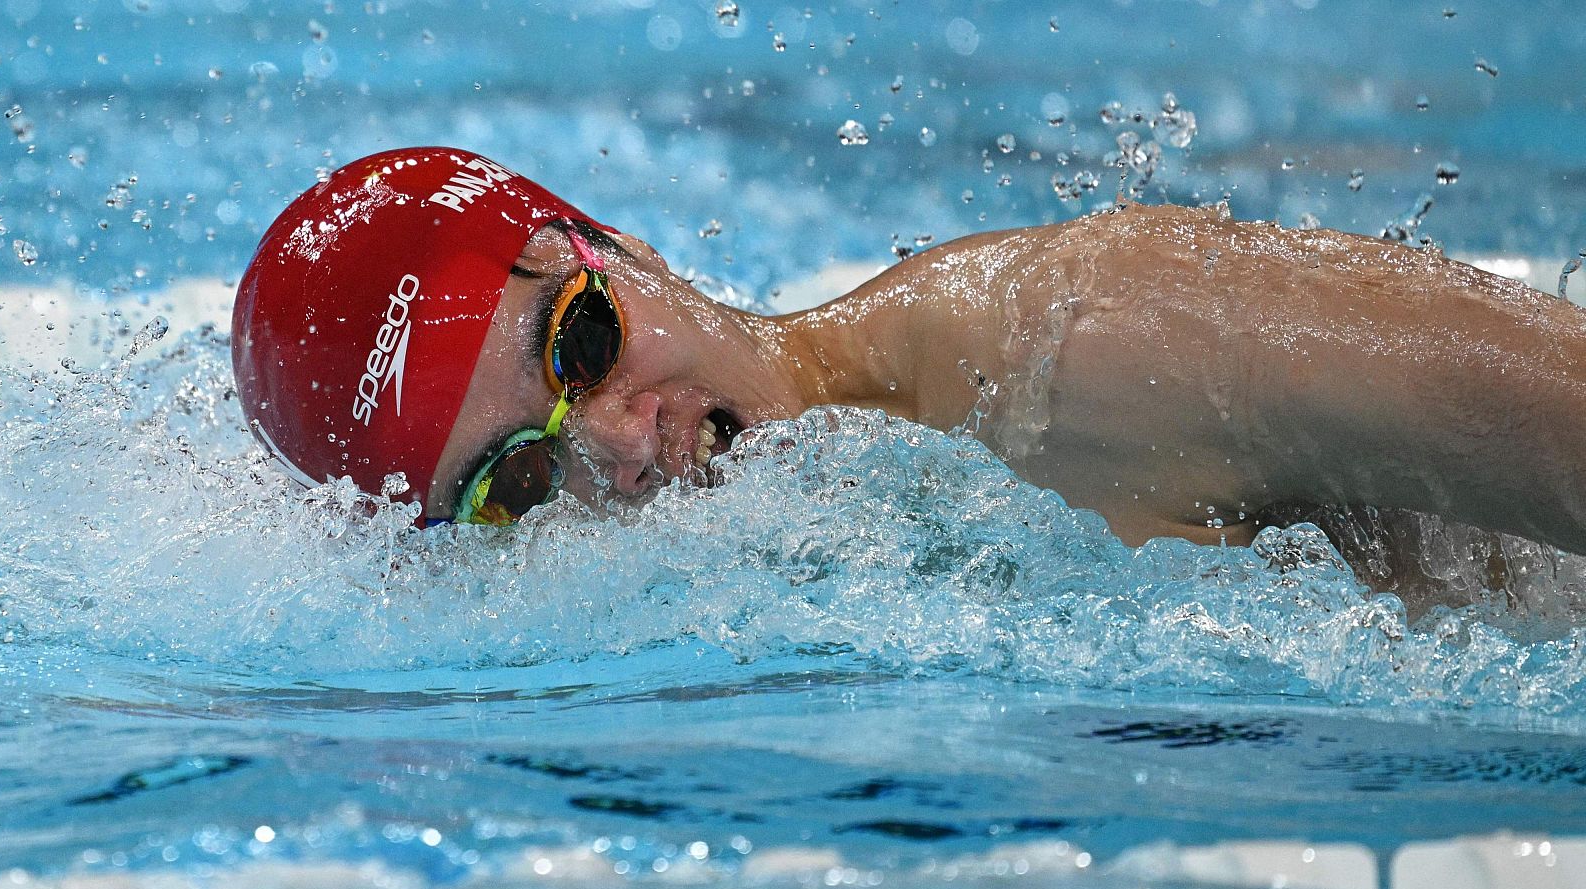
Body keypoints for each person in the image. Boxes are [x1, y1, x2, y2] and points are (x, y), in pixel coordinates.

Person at [233, 146, 1586, 595]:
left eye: (582, 343)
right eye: (518, 481)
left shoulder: (1082, 342)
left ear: (619, 244)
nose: (621, 447)